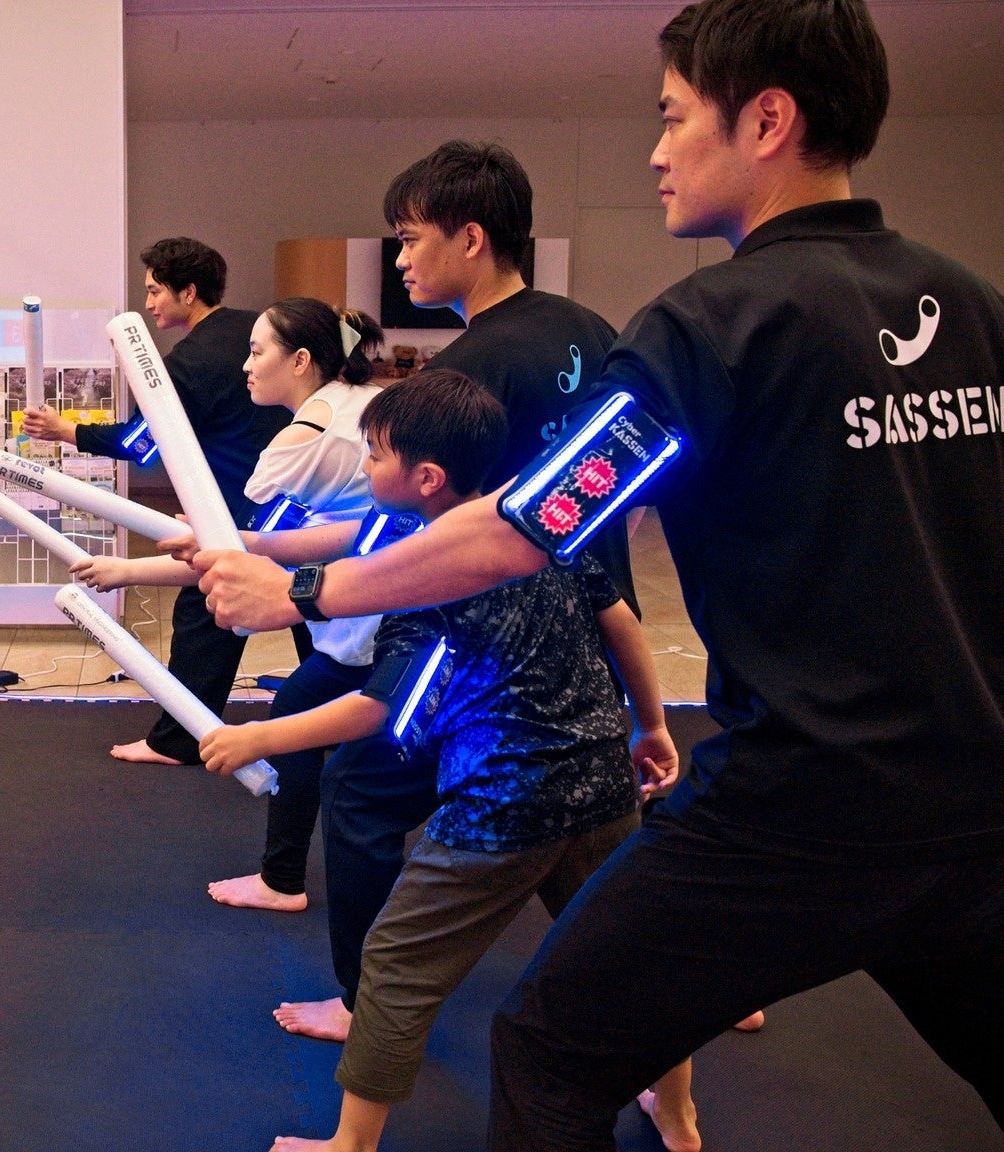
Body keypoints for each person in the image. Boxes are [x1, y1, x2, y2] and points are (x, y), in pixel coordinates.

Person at [193, 2, 1004, 1146]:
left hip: (800, 811)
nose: (653, 152)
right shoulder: (978, 309)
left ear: (766, 121)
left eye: (673, 119)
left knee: (545, 1052)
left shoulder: (713, 325)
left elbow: (524, 529)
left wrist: (299, 593)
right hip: (987, 805)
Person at [195, 370, 695, 1152]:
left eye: (374, 455)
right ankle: (679, 1112)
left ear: (425, 478)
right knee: (629, 957)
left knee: (395, 964)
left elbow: (382, 706)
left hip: (502, 806)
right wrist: (653, 725)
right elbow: (624, 623)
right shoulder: (544, 526)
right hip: (602, 780)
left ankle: (349, 1146)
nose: (364, 466)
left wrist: (259, 737)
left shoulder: (422, 574)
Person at [73, 300, 384, 912]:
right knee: (348, 742)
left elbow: (235, 555)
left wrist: (131, 569)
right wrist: (133, 566)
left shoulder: (296, 448)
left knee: (306, 722)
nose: (245, 365)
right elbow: (284, 542)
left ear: (301, 360)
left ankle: (285, 881)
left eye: (257, 351)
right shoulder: (364, 401)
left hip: (364, 617)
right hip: (379, 604)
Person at [22, 237, 294, 765]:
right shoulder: (258, 329)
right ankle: (334, 729)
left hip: (242, 500)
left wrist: (66, 429)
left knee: (206, 605)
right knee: (312, 608)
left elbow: (143, 443)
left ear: (188, 292)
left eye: (155, 291)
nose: (148, 303)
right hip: (297, 493)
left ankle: (178, 741)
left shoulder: (191, 359)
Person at [387, 140, 636, 610]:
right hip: (607, 620)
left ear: (470, 239)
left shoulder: (454, 375)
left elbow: (423, 530)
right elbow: (633, 488)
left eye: (409, 239)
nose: (401, 259)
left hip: (509, 635)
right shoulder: (595, 328)